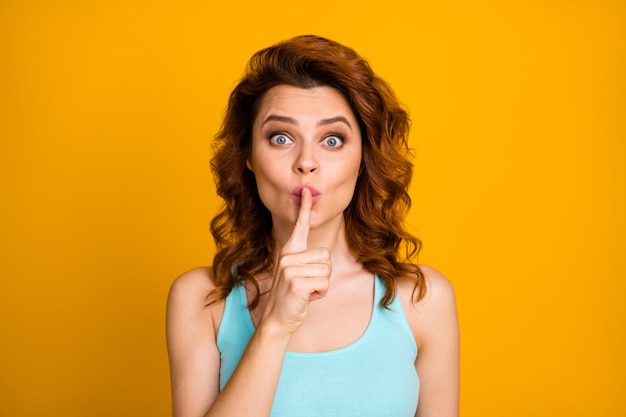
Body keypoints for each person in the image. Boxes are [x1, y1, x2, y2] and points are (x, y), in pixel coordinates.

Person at [166, 35, 459, 417]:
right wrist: (274, 326)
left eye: (332, 140)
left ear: (363, 160)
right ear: (249, 157)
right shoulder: (201, 299)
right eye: (281, 138)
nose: (307, 162)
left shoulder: (422, 299)